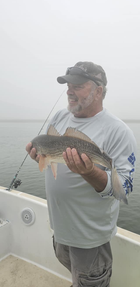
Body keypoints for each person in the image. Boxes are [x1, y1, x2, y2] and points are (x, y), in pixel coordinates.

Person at [26, 61, 137, 287]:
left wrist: (90, 173)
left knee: (90, 280)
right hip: (59, 230)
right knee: (77, 276)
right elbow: (50, 154)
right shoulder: (59, 116)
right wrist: (41, 157)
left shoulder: (119, 131)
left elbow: (123, 188)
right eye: (68, 85)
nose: (69, 90)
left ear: (98, 91)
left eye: (77, 85)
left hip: (89, 241)